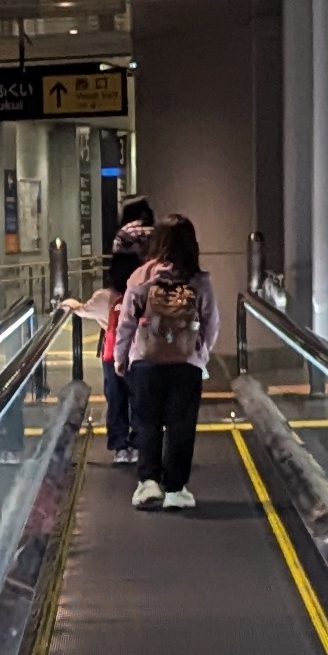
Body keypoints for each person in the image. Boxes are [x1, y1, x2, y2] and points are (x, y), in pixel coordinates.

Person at [114, 213, 220, 510]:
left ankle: (149, 483)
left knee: (146, 421)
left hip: (145, 361)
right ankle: (175, 489)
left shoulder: (141, 276)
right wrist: (200, 354)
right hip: (186, 363)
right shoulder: (199, 280)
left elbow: (126, 322)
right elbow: (211, 322)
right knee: (181, 425)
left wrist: (121, 358)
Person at [100, 195, 157, 463]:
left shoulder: (123, 235)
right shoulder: (158, 237)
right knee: (142, 393)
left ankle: (120, 446)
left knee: (116, 392)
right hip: (148, 328)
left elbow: (116, 275)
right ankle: (140, 443)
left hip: (119, 322)